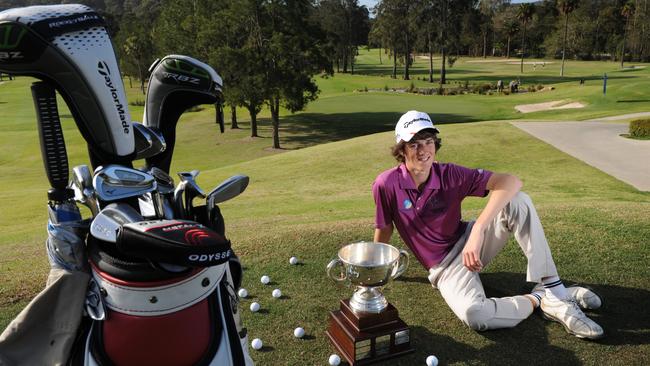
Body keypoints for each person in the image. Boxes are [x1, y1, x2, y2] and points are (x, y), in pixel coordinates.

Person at [372, 110, 604, 339]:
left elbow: (511, 181)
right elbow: (385, 227)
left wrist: (479, 229)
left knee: (518, 202)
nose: (423, 151)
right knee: (476, 315)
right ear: (401, 149)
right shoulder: (386, 184)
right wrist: (376, 267)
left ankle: (556, 292)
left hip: (471, 241)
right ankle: (540, 298)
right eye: (414, 144)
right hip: (444, 268)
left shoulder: (449, 173)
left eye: (428, 142)